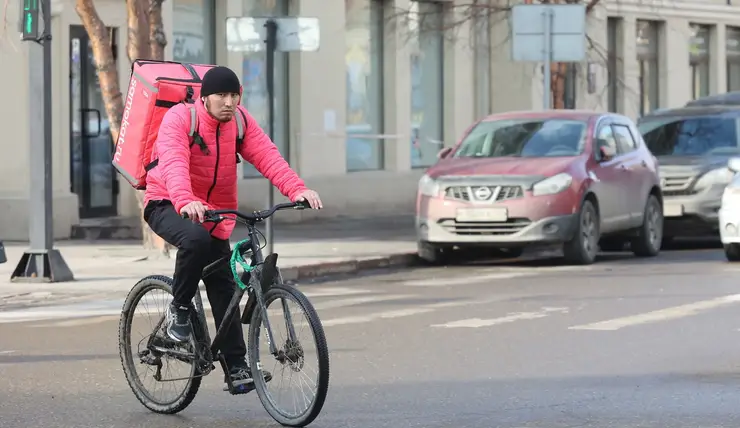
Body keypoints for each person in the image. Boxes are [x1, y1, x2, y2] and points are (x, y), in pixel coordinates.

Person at [142, 66, 322, 389]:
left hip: (213, 213)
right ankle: (179, 311)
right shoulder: (181, 119)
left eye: (234, 95)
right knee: (195, 240)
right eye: (221, 96)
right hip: (167, 201)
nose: (228, 102)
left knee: (225, 284)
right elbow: (174, 161)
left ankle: (237, 368)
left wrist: (297, 189)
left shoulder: (239, 122)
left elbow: (267, 156)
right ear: (205, 97)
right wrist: (184, 200)